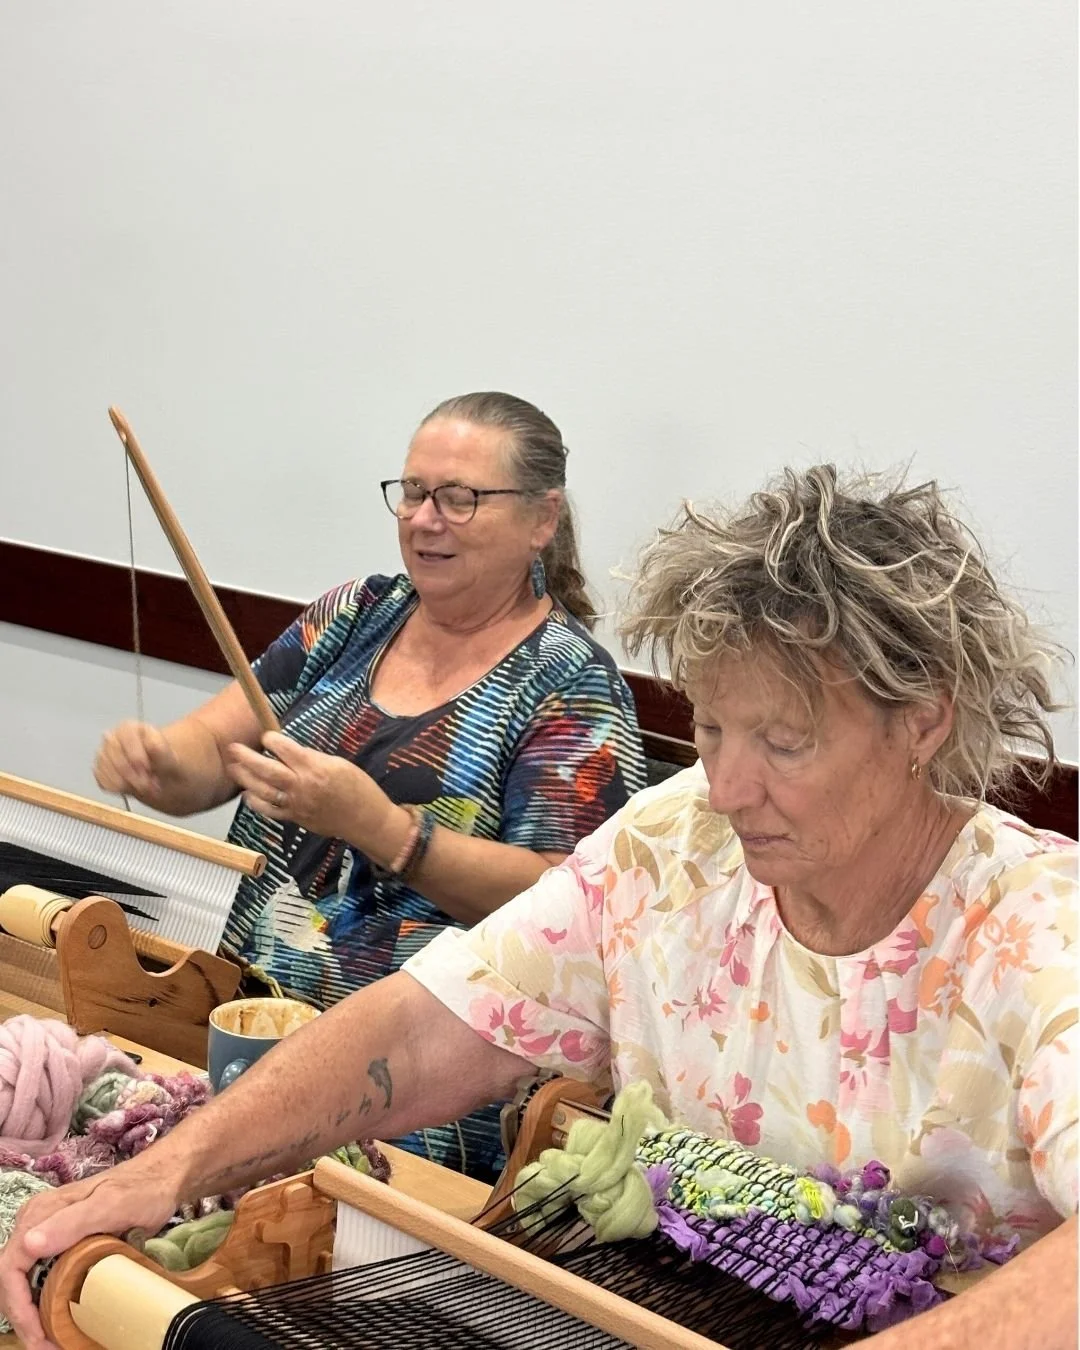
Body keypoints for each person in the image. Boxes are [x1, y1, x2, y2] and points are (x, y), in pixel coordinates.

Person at [9, 465, 1074, 1350]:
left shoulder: (1036, 933)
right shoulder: (676, 846)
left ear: (922, 722)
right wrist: (168, 1170)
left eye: (785, 743)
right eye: (709, 731)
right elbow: (426, 1028)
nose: (731, 785)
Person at [91, 391, 646, 1178]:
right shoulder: (353, 616)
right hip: (253, 1038)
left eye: (460, 498)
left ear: (542, 519)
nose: (425, 519)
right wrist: (161, 762)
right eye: (413, 492)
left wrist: (384, 830)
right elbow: (213, 751)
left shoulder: (568, 686)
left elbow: (571, 905)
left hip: (414, 1100)